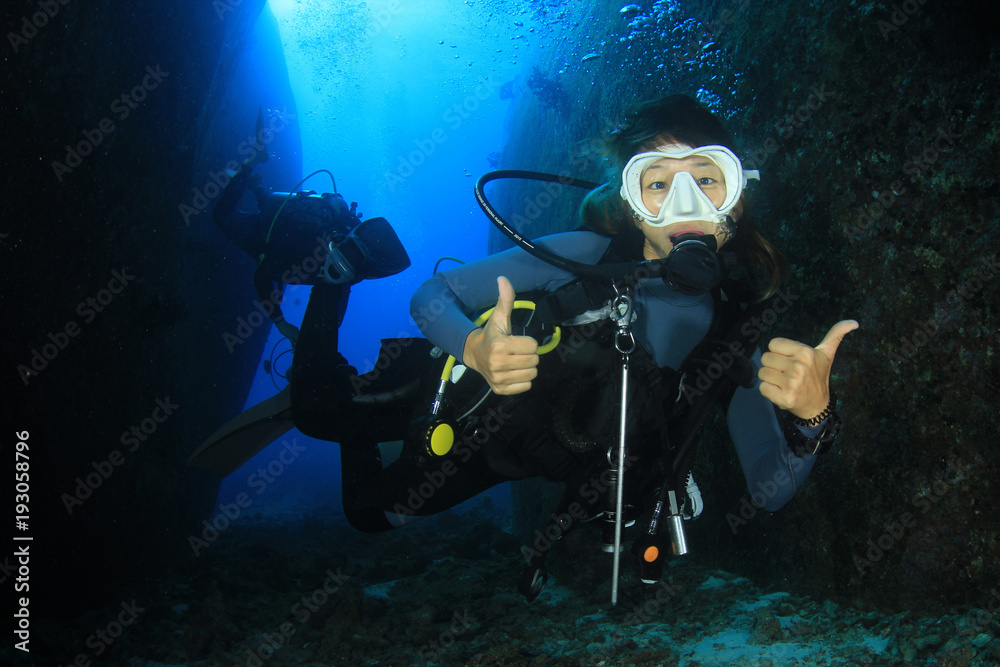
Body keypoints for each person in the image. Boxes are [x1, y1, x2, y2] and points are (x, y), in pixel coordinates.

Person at [192, 95, 856, 594]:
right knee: (315, 412)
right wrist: (476, 344)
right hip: (459, 401)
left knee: (371, 516)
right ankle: (338, 280)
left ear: (736, 198)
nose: (684, 202)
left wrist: (813, 419)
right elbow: (432, 297)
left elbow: (768, 490)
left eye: (707, 179)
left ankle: (358, 396)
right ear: (630, 201)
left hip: (510, 459)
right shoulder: (581, 256)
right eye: (658, 183)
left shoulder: (731, 331)